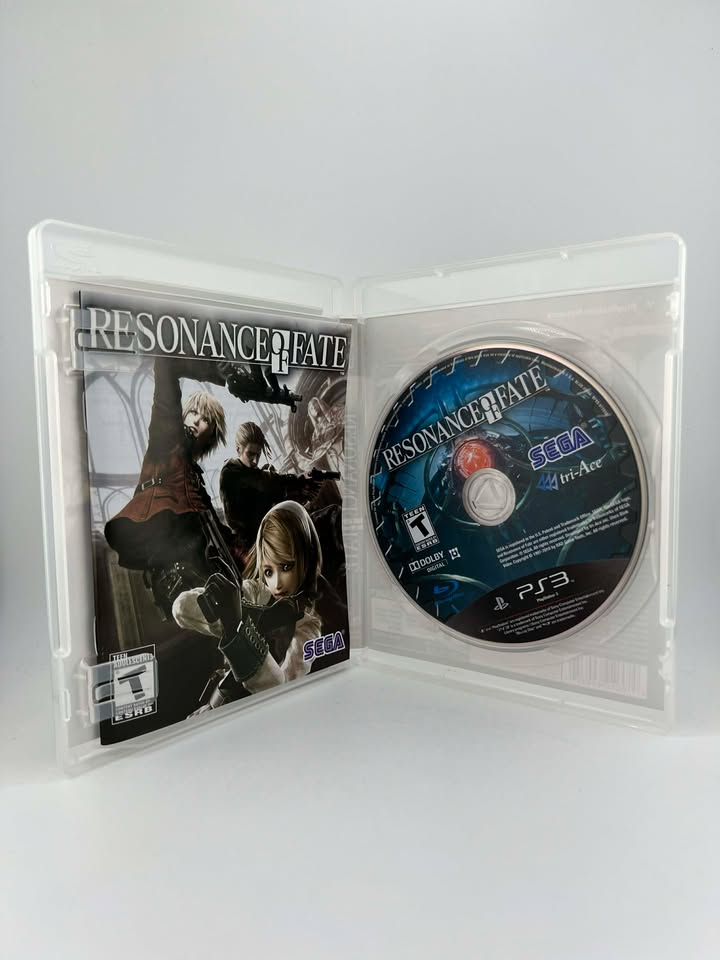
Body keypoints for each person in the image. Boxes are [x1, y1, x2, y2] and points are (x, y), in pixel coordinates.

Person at [104, 357, 233, 617]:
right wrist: (221, 374)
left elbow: (217, 530)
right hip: (162, 542)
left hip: (202, 570)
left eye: (205, 420)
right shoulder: (167, 437)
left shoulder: (195, 476)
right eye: (193, 413)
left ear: (212, 435)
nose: (196, 421)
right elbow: (165, 364)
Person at [172, 501, 323, 707]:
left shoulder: (307, 626)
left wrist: (238, 627)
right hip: (214, 708)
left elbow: (281, 691)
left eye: (286, 567)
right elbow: (181, 608)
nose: (277, 583)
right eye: (268, 571)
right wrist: (247, 614)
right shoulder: (258, 591)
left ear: (307, 559)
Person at [220, 421, 322, 563]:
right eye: (250, 454)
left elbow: (269, 485)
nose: (255, 460)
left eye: (258, 455)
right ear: (238, 450)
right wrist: (298, 480)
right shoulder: (230, 473)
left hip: (268, 532)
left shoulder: (251, 471)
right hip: (253, 543)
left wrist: (300, 488)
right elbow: (266, 482)